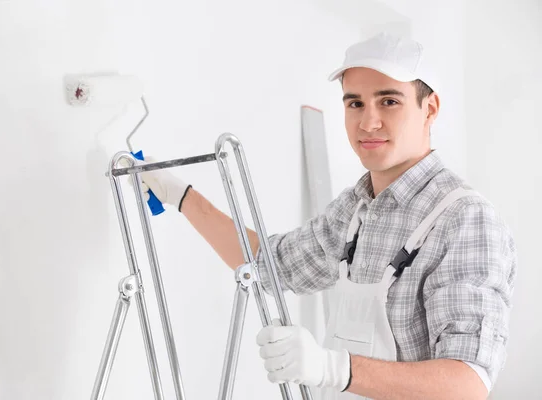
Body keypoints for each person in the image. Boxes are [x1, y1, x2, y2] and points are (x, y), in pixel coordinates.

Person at [136, 32, 517, 399]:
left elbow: (466, 384)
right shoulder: (355, 209)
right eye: (355, 104)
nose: (368, 122)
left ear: (429, 108)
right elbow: (269, 265)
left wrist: (334, 369)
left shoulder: (464, 218)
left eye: (389, 102)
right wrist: (181, 195)